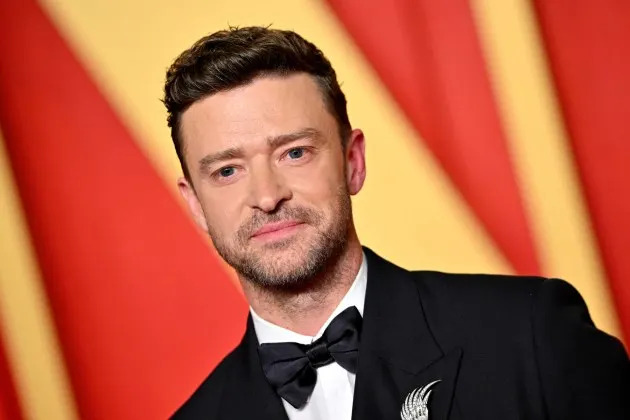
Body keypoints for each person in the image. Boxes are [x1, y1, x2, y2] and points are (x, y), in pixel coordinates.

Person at [163, 26, 629, 420]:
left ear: (353, 162)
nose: (266, 196)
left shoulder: (531, 335)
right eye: (227, 171)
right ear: (197, 205)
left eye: (295, 152)